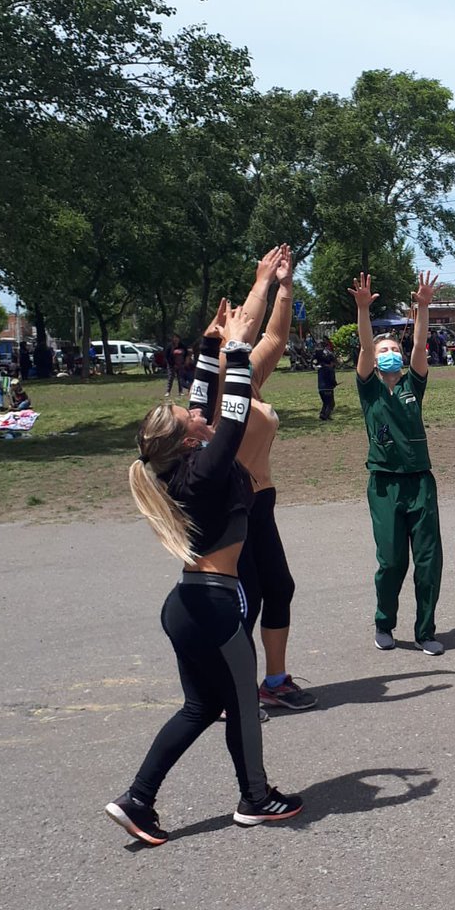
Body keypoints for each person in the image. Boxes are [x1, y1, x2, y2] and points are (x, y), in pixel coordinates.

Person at [105, 299, 303, 846]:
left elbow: (205, 398)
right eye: (192, 418)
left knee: (201, 706)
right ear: (189, 439)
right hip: (217, 604)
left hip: (186, 604)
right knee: (240, 706)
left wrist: (213, 346)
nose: (199, 411)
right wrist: (239, 347)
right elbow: (234, 411)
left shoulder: (181, 466)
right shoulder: (208, 467)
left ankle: (137, 800)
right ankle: (256, 799)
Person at [228, 245, 319, 713]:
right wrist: (260, 283)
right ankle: (233, 692)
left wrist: (285, 286)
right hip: (230, 510)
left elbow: (276, 336)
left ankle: (275, 681)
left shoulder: (248, 377)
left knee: (278, 588)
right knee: (245, 601)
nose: (242, 328)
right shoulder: (222, 384)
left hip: (261, 502)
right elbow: (247, 327)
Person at [351, 271, 446, 656]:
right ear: (374, 359)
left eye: (394, 347)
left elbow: (420, 343)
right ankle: (383, 623)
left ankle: (425, 631)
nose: (389, 352)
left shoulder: (412, 384)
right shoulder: (369, 387)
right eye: (382, 349)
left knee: (428, 562)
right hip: (385, 485)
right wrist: (362, 309)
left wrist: (422, 306)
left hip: (420, 482)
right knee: (391, 562)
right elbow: (363, 344)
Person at [313, 336, 338, 419]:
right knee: (331, 403)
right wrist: (334, 383)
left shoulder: (320, 369)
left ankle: (322, 414)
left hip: (321, 389)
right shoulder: (330, 369)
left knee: (325, 402)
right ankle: (326, 415)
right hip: (328, 388)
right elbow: (332, 379)